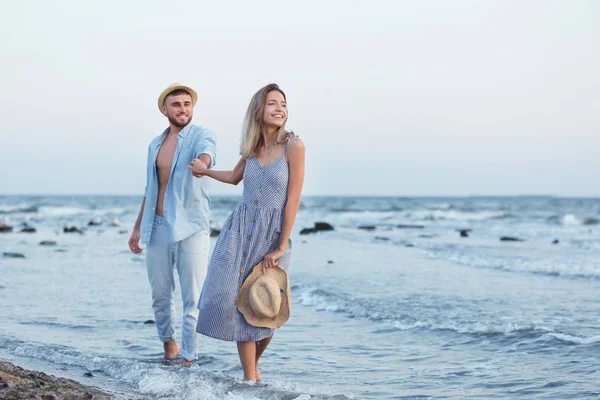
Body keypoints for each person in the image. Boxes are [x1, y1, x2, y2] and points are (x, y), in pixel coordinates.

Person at [190, 83, 305, 381]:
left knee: (265, 307)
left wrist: (280, 247)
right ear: (259, 109)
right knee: (237, 302)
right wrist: (204, 172)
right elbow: (232, 177)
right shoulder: (253, 147)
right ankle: (250, 379)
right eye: (272, 103)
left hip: (272, 236)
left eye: (283, 103)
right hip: (238, 233)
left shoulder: (294, 145)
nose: (280, 108)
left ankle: (251, 372)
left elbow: (293, 199)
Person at [128, 83, 216, 367]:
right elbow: (149, 188)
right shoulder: (155, 144)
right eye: (176, 105)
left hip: (192, 227)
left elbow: (207, 152)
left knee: (194, 298)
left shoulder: (201, 135)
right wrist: (137, 227)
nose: (183, 109)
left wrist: (203, 164)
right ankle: (169, 346)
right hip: (158, 227)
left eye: (187, 104)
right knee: (160, 295)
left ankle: (189, 358)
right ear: (164, 109)